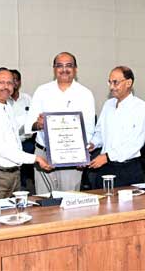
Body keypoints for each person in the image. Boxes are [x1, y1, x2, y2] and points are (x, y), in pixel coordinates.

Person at [0, 68, 51, 200]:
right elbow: (1, 148)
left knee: (14, 212)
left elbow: (15, 131)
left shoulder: (6, 105)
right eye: (1, 83)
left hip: (12, 175)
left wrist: (38, 123)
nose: (6, 87)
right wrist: (36, 158)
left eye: (9, 83)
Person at [26, 52, 95, 194]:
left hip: (73, 157)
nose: (64, 69)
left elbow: (89, 129)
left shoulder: (85, 94)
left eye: (69, 65)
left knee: (69, 201)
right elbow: (29, 125)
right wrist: (39, 124)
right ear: (54, 69)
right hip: (43, 155)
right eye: (59, 66)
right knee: (44, 200)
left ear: (75, 69)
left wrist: (82, 155)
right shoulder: (42, 91)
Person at [86, 66, 145, 188]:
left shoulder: (140, 107)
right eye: (109, 82)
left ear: (129, 83)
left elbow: (135, 143)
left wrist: (108, 157)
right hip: (105, 168)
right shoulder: (108, 105)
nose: (111, 87)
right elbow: (100, 132)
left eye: (115, 82)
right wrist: (92, 144)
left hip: (128, 169)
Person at [9, 69, 35, 189]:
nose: (13, 82)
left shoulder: (27, 98)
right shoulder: (3, 101)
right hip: (11, 143)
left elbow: (34, 119)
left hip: (27, 142)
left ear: (19, 82)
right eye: (11, 80)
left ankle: (27, 185)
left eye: (16, 79)